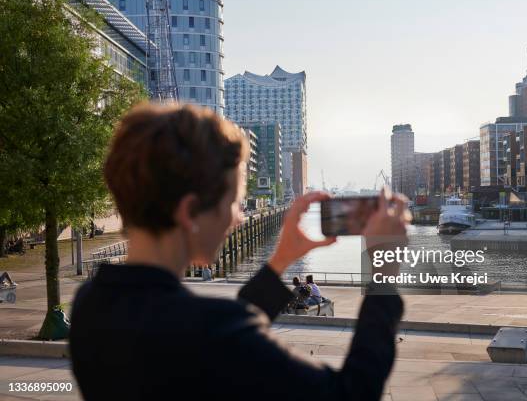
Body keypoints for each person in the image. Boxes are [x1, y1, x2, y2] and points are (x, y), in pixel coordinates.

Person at [69, 103, 408, 400]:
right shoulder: (213, 332)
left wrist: (280, 260)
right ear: (190, 213)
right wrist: (382, 273)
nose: (240, 216)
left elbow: (224, 341)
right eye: (233, 202)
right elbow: (351, 393)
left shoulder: (90, 304)